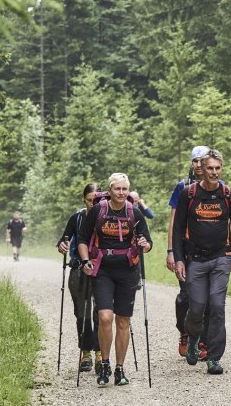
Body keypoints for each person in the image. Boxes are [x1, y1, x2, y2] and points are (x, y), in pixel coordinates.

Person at [172, 149, 231, 375]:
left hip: (221, 258)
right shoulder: (189, 194)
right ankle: (193, 338)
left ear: (221, 169)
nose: (214, 172)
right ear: (201, 169)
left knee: (217, 306)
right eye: (210, 168)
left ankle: (214, 357)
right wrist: (178, 259)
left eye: (217, 168)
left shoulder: (228, 195)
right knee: (196, 308)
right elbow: (177, 228)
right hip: (195, 259)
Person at [77, 173, 153, 387]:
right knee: (104, 317)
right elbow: (83, 238)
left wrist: (145, 245)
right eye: (117, 189)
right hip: (102, 269)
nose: (121, 193)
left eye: (124, 189)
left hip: (128, 271)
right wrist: (85, 261)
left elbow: (148, 242)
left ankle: (119, 368)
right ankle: (105, 364)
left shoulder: (134, 212)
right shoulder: (98, 211)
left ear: (128, 191)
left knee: (123, 321)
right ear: (109, 191)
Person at [166, 145, 212, 360]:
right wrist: (171, 252)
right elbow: (174, 221)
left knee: (208, 299)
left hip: (210, 250)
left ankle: (202, 339)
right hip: (185, 250)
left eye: (203, 160)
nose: (199, 165)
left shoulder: (218, 187)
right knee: (186, 297)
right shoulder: (182, 186)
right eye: (195, 161)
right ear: (192, 163)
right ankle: (184, 332)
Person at [57, 183, 102, 374]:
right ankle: (85, 354)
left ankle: (101, 354)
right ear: (84, 199)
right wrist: (62, 245)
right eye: (89, 200)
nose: (93, 203)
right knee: (82, 313)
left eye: (96, 200)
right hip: (78, 267)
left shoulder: (106, 215)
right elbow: (63, 239)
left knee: (101, 313)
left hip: (102, 268)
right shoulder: (77, 217)